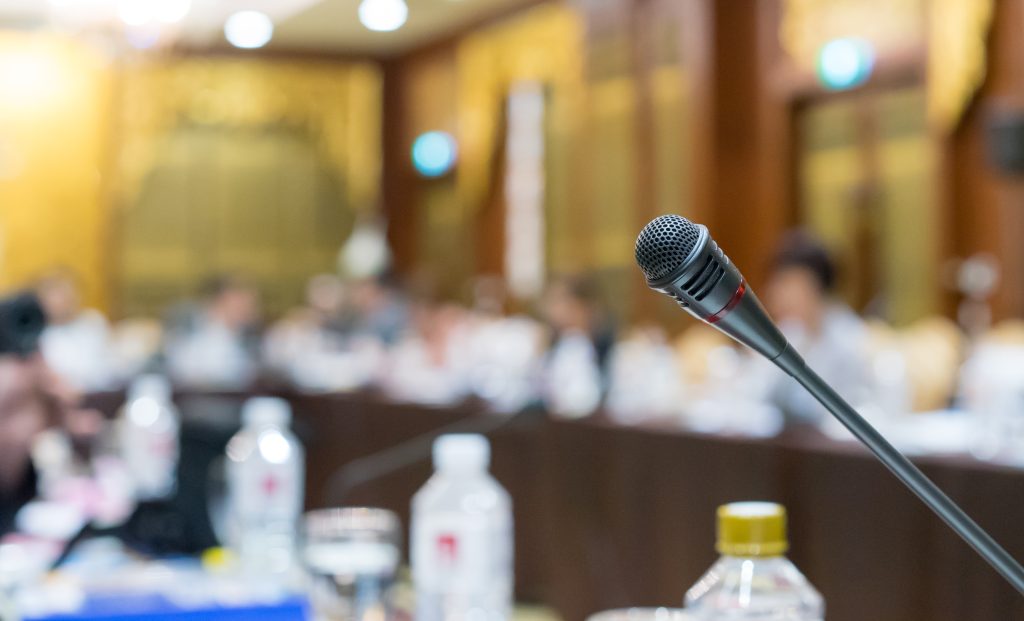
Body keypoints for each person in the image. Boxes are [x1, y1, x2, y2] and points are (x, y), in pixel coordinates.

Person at [0, 293, 103, 536]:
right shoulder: (10, 376)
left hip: (19, 486)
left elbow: (67, 402)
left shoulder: (33, 367)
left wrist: (47, 383)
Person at [756, 231, 871, 424]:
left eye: (785, 283)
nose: (774, 293)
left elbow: (843, 415)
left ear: (814, 285)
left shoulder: (848, 340)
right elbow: (758, 394)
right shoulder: (790, 332)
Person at [164, 275, 262, 389]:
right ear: (222, 301)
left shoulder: (243, 338)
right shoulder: (195, 341)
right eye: (243, 302)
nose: (252, 310)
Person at [35, 269, 114, 391]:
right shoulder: (39, 334)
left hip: (100, 393)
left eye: (68, 291)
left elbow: (103, 369)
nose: (65, 299)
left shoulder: (93, 321)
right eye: (57, 293)